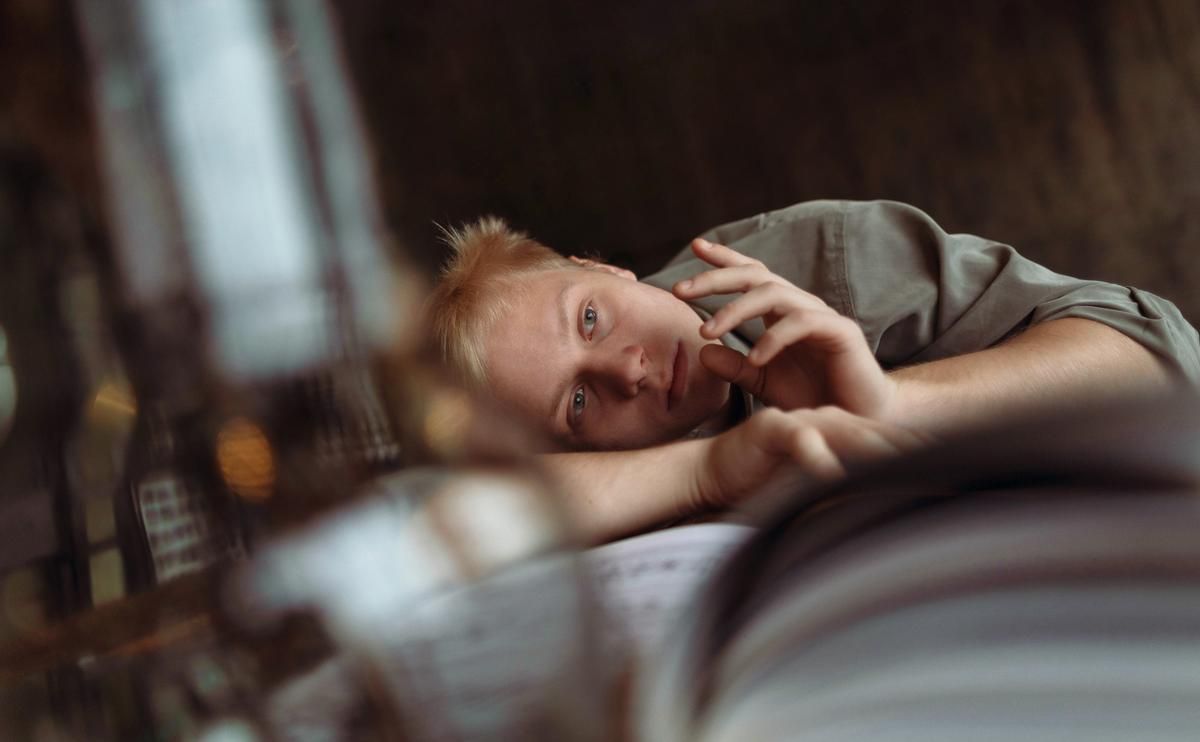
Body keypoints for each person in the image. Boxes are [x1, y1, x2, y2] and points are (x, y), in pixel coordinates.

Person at [426, 200, 1200, 542]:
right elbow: (446, 522)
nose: (626, 369)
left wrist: (890, 406)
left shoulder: (817, 261)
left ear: (602, 268)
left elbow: (1162, 364)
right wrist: (710, 471)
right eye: (578, 402)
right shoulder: (579, 492)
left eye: (589, 317)